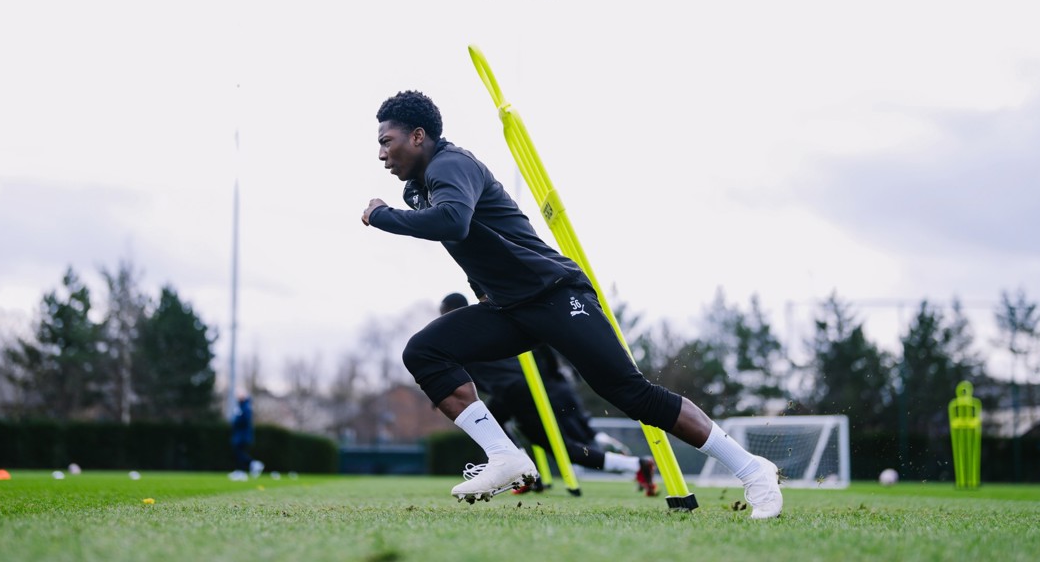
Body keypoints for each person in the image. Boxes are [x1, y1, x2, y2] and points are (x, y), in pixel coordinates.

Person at [362, 90, 782, 518]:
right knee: (424, 352)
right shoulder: (419, 189)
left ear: (417, 136)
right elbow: (471, 240)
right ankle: (505, 457)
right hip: (510, 307)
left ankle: (753, 470)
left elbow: (454, 221)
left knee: (633, 395)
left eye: (386, 141)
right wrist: (481, 290)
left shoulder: (452, 164)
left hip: (555, 294)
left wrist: (381, 215)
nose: (381, 154)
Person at [439, 292, 659, 496]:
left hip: (518, 393)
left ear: (446, 312)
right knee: (493, 419)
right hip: (518, 391)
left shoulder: (456, 338)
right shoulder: (480, 327)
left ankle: (635, 465)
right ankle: (525, 473)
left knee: (563, 449)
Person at [229, 392, 264, 481]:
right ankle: (241, 471)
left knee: (240, 453)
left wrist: (235, 421)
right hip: (239, 435)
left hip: (242, 436)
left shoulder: (246, 407)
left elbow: (243, 420)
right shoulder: (241, 407)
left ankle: (250, 465)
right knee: (238, 453)